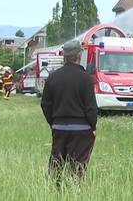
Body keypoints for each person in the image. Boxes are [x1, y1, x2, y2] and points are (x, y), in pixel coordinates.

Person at [40, 40, 98, 183]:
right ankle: (75, 193)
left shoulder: (53, 77)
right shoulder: (86, 78)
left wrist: (53, 122)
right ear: (79, 55)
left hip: (59, 127)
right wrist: (93, 126)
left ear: (63, 56)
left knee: (57, 166)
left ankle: (55, 192)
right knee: (78, 168)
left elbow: (45, 104)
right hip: (82, 129)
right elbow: (91, 106)